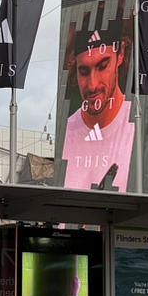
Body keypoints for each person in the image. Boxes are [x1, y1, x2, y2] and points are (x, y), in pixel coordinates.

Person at [61, 28, 135, 192]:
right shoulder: (63, 135)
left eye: (102, 66)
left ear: (121, 53)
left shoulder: (140, 131)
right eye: (84, 71)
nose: (92, 85)